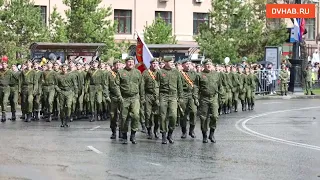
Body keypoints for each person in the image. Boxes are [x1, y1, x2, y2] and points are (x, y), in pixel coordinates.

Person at [115, 56, 144, 144]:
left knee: (136, 115)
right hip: (124, 98)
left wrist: (142, 98)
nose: (130, 63)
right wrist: (119, 97)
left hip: (135, 97)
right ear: (126, 63)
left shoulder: (138, 72)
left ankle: (133, 134)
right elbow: (116, 85)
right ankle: (124, 135)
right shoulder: (121, 72)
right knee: (124, 118)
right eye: (129, 62)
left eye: (132, 62)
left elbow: (141, 85)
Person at [156, 56, 183, 144]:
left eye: (172, 62)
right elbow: (157, 86)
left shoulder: (176, 72)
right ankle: (163, 134)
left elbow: (180, 85)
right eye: (170, 62)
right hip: (163, 96)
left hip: (173, 96)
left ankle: (170, 133)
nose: (172, 63)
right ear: (166, 62)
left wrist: (181, 97)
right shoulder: (160, 72)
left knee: (173, 116)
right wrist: (157, 98)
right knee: (163, 116)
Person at [194, 59, 221, 143]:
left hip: (214, 98)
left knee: (215, 116)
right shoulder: (200, 75)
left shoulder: (217, 75)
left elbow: (220, 86)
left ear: (212, 65)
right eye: (206, 65)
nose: (208, 66)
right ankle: (204, 135)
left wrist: (222, 97)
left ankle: (212, 133)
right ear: (204, 66)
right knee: (203, 118)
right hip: (204, 98)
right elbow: (196, 87)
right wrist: (195, 98)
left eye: (210, 64)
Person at [179, 59, 197, 139]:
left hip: (191, 94)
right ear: (183, 65)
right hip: (183, 94)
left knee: (193, 111)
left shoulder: (194, 73)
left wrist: (196, 95)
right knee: (183, 114)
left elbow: (196, 85)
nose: (188, 65)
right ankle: (184, 131)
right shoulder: (180, 74)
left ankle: (192, 130)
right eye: (186, 64)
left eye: (189, 63)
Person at [142, 58, 159, 139]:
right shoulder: (146, 73)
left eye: (156, 63)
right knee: (148, 114)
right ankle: (149, 130)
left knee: (157, 114)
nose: (155, 65)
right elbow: (142, 86)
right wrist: (142, 97)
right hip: (148, 95)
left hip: (158, 96)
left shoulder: (160, 72)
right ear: (150, 64)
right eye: (153, 63)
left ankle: (156, 130)